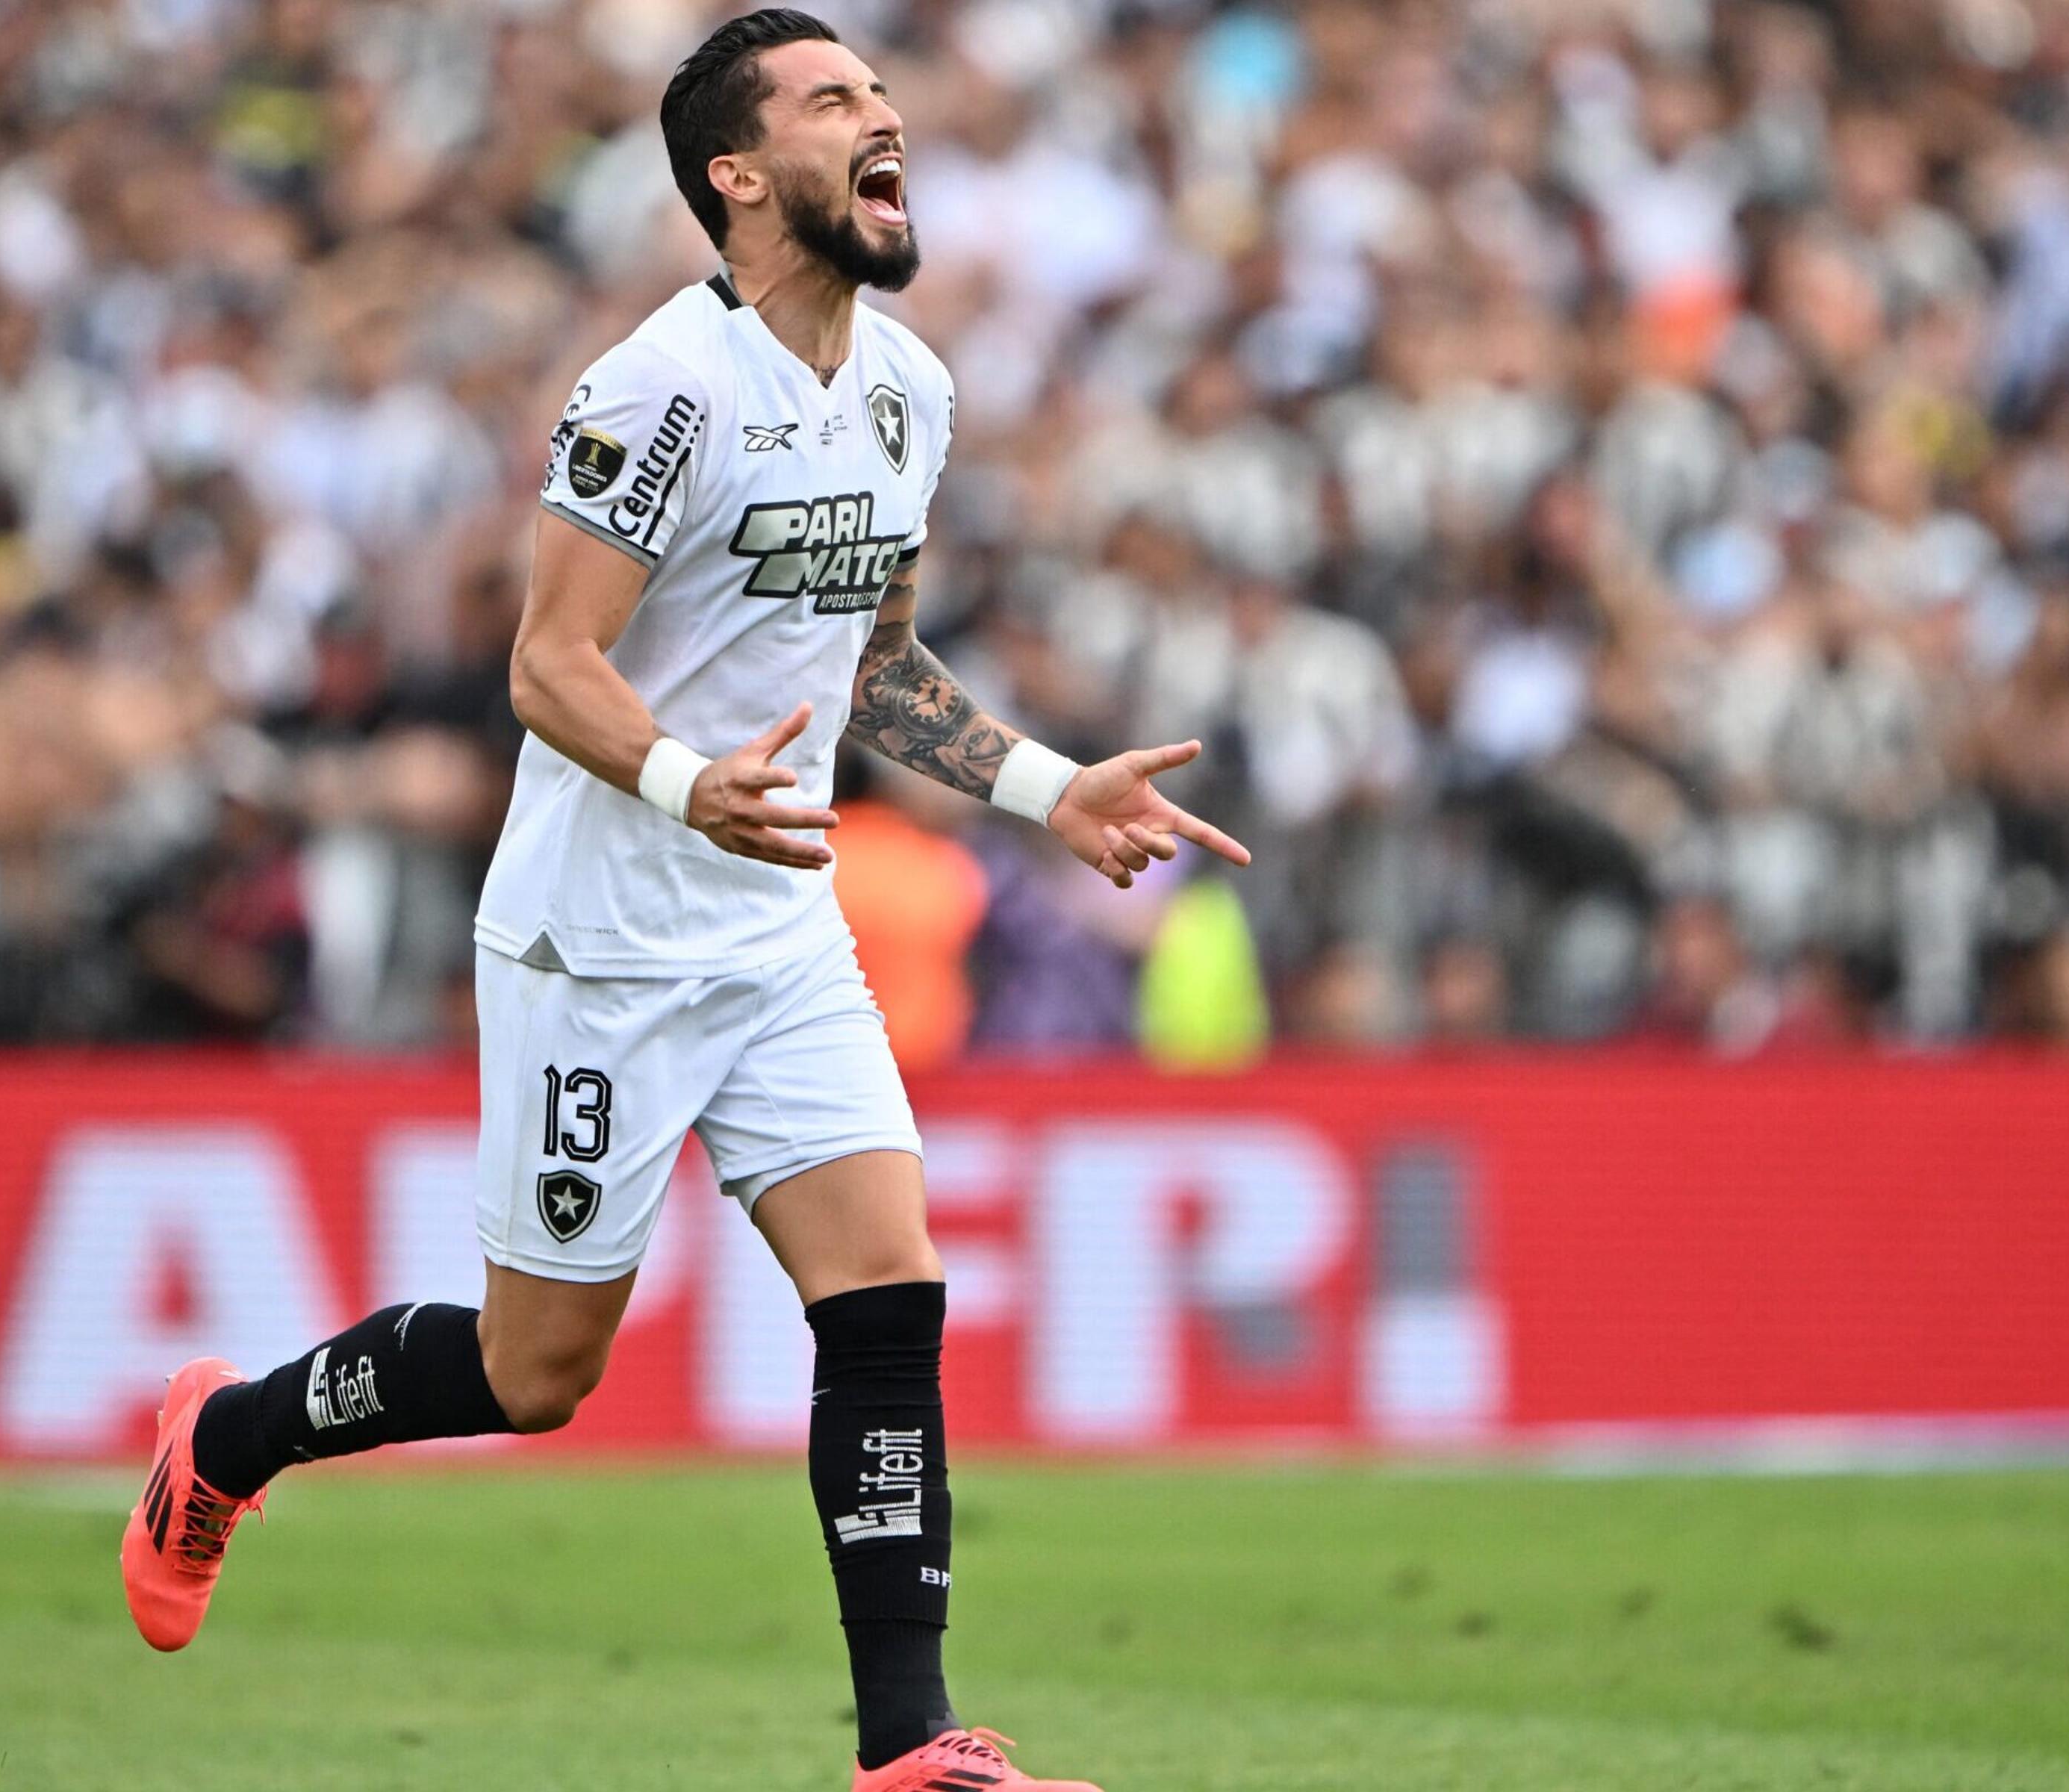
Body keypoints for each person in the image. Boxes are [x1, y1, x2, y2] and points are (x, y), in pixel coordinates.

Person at [116, 13, 1246, 1789]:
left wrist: (1046, 787)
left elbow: (871, 662)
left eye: (881, 92)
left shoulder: (910, 389)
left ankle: (911, 1747)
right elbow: (545, 662)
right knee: (534, 1371)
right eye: (835, 102)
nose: (886, 117)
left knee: (886, 1296)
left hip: (775, 928)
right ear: (739, 174)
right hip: (605, 940)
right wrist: (679, 784)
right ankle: (228, 1440)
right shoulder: (658, 390)